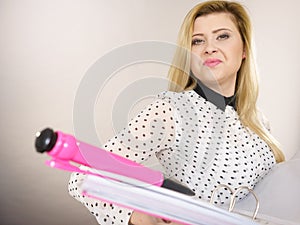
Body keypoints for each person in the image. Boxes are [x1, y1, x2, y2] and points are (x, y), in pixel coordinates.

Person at [68, 1, 285, 225]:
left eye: (222, 36)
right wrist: (140, 217)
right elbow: (83, 177)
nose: (209, 48)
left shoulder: (259, 121)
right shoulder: (172, 111)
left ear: (244, 50)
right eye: (197, 41)